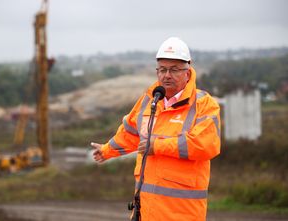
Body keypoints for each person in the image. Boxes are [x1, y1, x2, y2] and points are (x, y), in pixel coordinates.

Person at [91, 37, 221, 221]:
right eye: (162, 69)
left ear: (188, 71)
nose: (166, 75)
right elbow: (131, 133)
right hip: (145, 211)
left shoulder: (204, 105)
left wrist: (157, 146)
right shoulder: (150, 100)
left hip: (181, 214)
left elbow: (205, 145)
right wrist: (106, 150)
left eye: (174, 69)